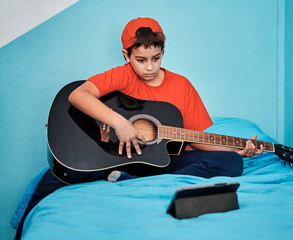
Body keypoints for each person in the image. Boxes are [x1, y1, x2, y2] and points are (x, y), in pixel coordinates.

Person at [15, 17, 263, 239]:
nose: (149, 67)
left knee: (231, 163)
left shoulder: (182, 86)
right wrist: (118, 122)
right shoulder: (123, 75)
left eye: (156, 59)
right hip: (116, 157)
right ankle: (125, 174)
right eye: (140, 60)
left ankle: (134, 179)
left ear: (163, 51)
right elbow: (78, 95)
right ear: (126, 55)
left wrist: (236, 150)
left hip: (161, 162)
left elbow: (196, 138)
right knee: (56, 176)